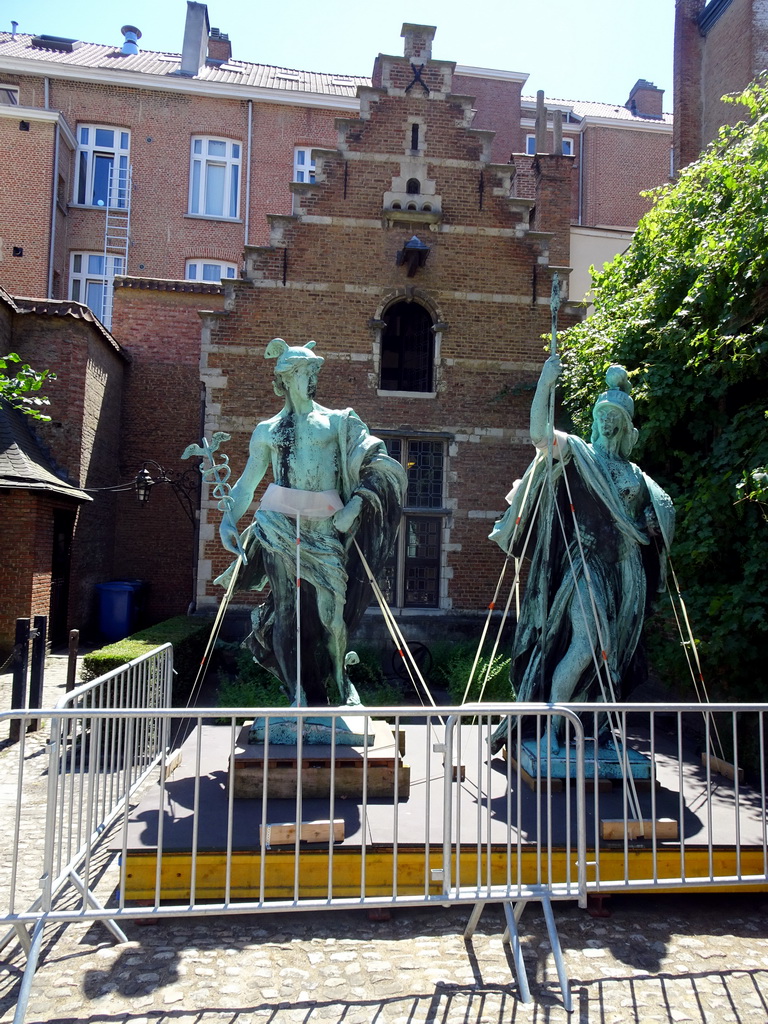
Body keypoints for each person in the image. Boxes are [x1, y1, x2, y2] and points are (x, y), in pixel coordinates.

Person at [489, 354, 675, 752]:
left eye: (616, 418)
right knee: (587, 643)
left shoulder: (636, 476)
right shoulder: (578, 453)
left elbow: (655, 516)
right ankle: (555, 728)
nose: (608, 422)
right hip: (585, 562)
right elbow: (540, 436)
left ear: (626, 427)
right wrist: (545, 381)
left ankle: (602, 732)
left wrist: (654, 525)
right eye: (602, 414)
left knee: (615, 655)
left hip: (627, 571)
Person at [217, 338, 406, 710]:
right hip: (278, 524)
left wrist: (356, 503)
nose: (311, 379)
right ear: (286, 379)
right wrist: (228, 520)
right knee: (286, 608)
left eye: (313, 372)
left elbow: (379, 463)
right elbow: (246, 483)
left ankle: (341, 682)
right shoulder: (268, 430)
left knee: (331, 615)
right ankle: (297, 695)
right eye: (304, 372)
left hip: (323, 528)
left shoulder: (337, 421)